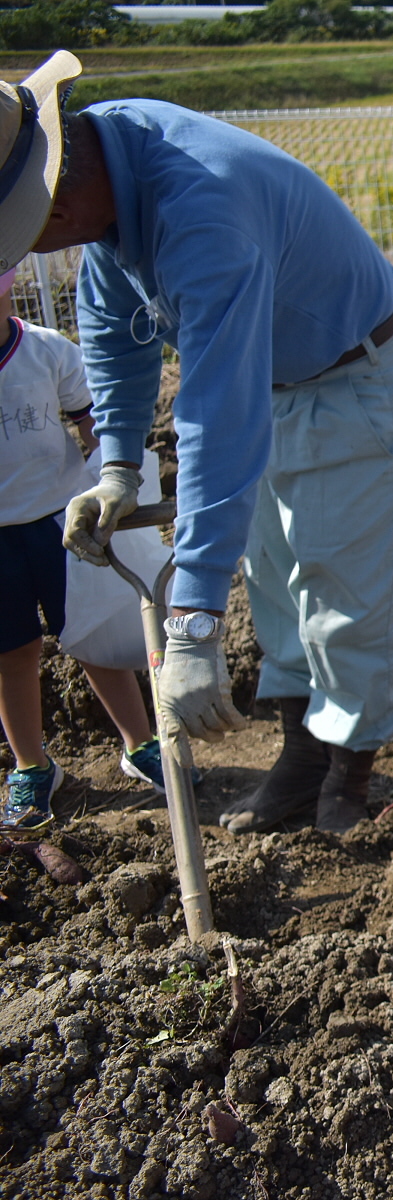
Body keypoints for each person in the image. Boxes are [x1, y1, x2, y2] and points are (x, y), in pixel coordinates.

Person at [1, 52, 393, 834]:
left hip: (355, 382)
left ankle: (349, 774)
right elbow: (111, 333)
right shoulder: (105, 158)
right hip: (276, 382)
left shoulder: (201, 210)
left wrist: (193, 621)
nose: (33, 252)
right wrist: (118, 467)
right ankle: (303, 760)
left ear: (59, 201)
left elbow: (214, 412)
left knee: (347, 593)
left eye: (28, 235)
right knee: (275, 581)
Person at [0, 266, 178, 828]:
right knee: (12, 654)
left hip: (61, 522)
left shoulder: (47, 352)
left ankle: (139, 744)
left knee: (92, 637)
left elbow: (95, 429)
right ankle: (32, 766)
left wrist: (111, 497)